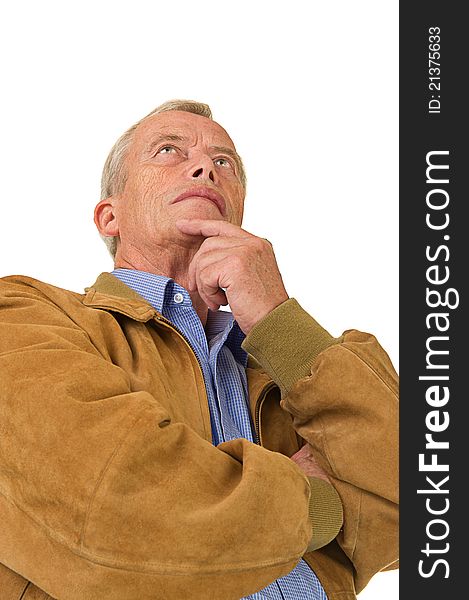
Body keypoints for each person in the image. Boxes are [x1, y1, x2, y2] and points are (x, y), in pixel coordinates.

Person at [0, 100, 398, 600]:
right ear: (109, 216)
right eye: (168, 150)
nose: (204, 166)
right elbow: (120, 516)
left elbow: (421, 492)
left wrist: (277, 319)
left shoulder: (289, 365)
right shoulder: (25, 314)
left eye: (224, 162)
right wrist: (321, 502)